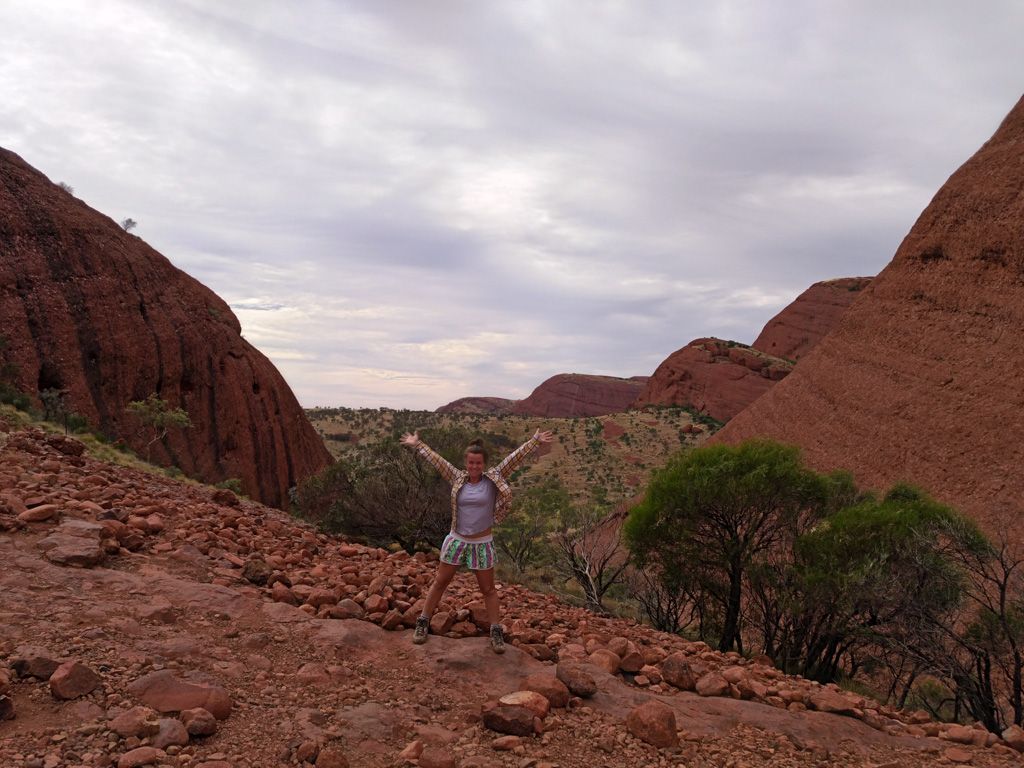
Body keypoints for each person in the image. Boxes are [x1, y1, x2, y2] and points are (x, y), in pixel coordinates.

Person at [400, 427, 554, 653]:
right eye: (471, 463)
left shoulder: (493, 479)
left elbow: (514, 459)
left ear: (484, 464)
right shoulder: (456, 477)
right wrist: (418, 445)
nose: (474, 467)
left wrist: (535, 441)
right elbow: (438, 461)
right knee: (440, 582)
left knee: (488, 589)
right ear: (466, 462)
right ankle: (422, 622)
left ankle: (495, 631)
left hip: (482, 543)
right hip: (457, 540)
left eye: (478, 463)